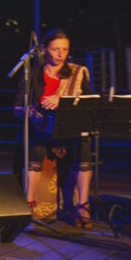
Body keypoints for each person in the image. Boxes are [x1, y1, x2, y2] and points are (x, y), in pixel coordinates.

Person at [13, 28, 93, 227]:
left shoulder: (77, 73)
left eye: (64, 50)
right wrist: (29, 111)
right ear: (43, 49)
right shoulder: (32, 74)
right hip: (41, 128)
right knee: (35, 145)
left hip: (68, 128)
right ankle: (29, 204)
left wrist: (63, 100)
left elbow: (88, 104)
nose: (60, 54)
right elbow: (16, 109)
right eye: (55, 49)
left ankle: (83, 206)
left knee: (82, 145)